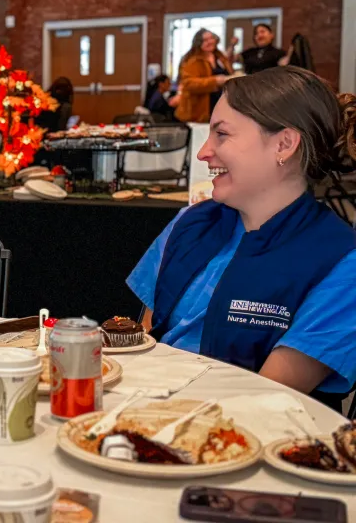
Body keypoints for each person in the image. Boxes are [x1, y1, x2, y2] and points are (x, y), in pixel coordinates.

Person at [127, 67, 356, 410]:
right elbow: (141, 344)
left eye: (221, 134)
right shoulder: (189, 223)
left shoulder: (341, 262)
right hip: (145, 414)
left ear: (284, 144)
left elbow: (263, 400)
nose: (204, 151)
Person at [175, 29, 233, 123]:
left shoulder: (221, 57)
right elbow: (188, 84)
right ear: (198, 43)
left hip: (223, 110)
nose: (210, 42)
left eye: (211, 38)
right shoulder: (192, 60)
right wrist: (215, 81)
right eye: (205, 40)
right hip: (200, 113)